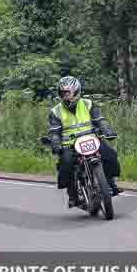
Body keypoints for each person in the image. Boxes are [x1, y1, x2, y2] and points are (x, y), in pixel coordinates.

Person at [47, 76, 123, 208]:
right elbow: (54, 131)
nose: (64, 96)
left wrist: (108, 131)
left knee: (109, 155)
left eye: (67, 93)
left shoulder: (88, 104)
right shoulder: (56, 111)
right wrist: (56, 144)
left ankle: (110, 183)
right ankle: (73, 195)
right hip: (69, 145)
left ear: (76, 91)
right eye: (62, 93)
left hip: (92, 139)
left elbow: (100, 120)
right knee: (66, 163)